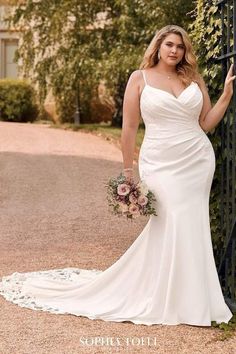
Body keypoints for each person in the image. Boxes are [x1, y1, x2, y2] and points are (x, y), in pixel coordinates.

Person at [0, 25, 235, 326]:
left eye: (180, 46)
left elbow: (204, 123)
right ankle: (165, 293)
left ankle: (191, 298)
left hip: (197, 159)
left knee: (191, 222)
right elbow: (128, 128)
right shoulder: (139, 79)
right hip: (161, 162)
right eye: (170, 45)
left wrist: (226, 95)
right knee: (172, 218)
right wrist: (128, 172)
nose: (175, 51)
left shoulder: (193, 79)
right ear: (158, 47)